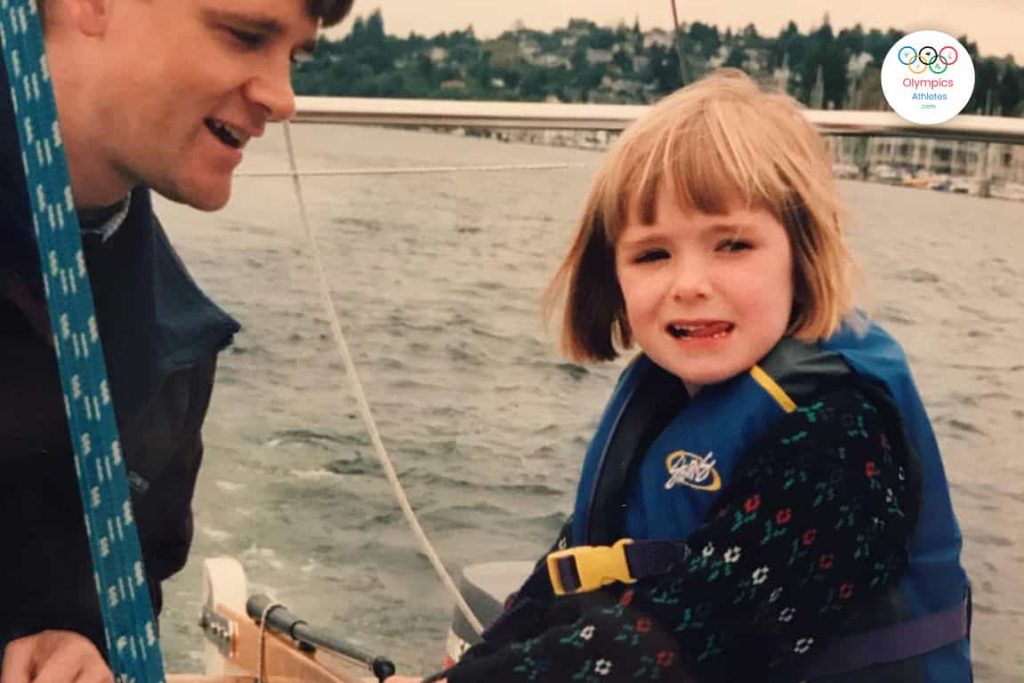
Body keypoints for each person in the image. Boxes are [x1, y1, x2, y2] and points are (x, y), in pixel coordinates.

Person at [398, 69, 972, 682]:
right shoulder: (663, 413)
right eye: (653, 254)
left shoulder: (844, 434)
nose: (690, 284)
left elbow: (696, 633)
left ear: (801, 260)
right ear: (612, 282)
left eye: (732, 245)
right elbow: (566, 578)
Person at [0, 1, 352, 681]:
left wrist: (79, 642)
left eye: (296, 58)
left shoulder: (177, 345)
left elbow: (123, 592)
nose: (283, 99)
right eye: (245, 35)